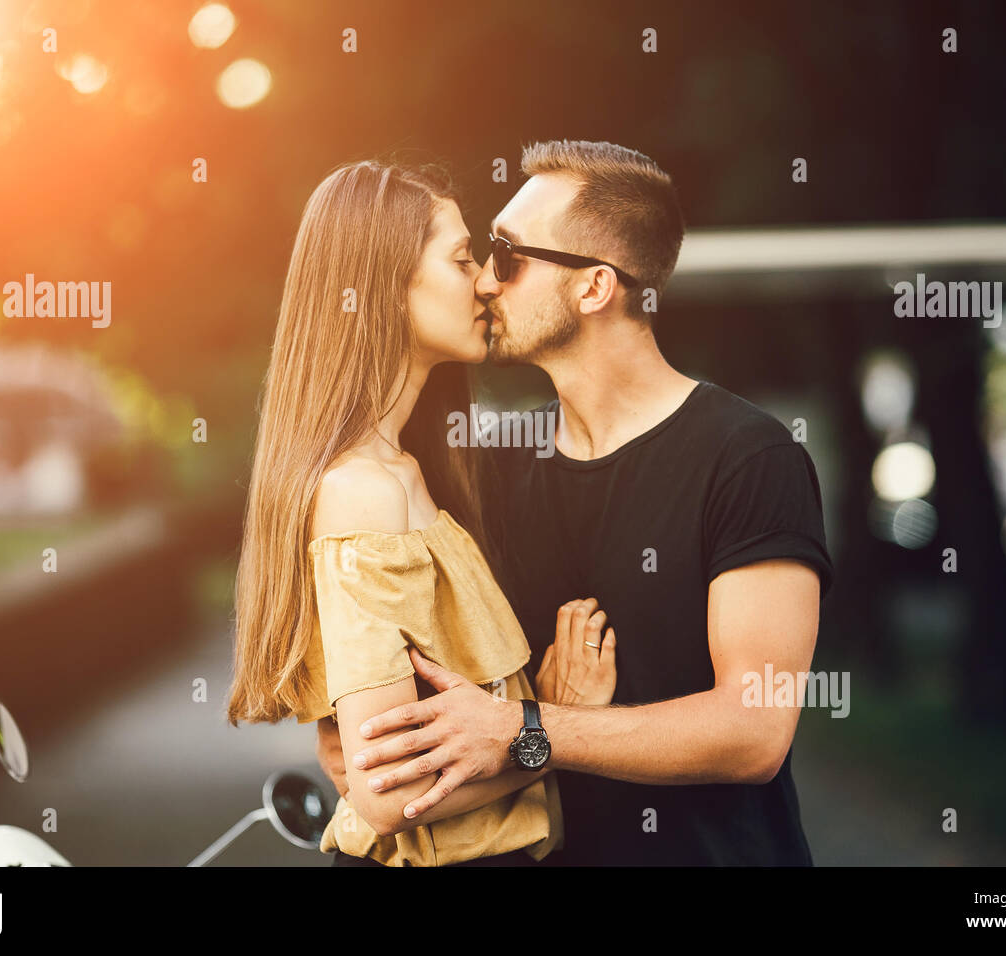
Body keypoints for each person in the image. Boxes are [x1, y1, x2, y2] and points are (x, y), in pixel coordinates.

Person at [327, 140, 835, 866]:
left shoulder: (750, 459)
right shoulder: (487, 473)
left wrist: (530, 726)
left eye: (507, 255)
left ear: (595, 287)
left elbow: (754, 730)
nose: (485, 283)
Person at [226, 159, 616, 867]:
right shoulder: (362, 491)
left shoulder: (409, 469)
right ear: (384, 285)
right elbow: (385, 795)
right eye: (463, 258)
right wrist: (559, 732)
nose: (486, 281)